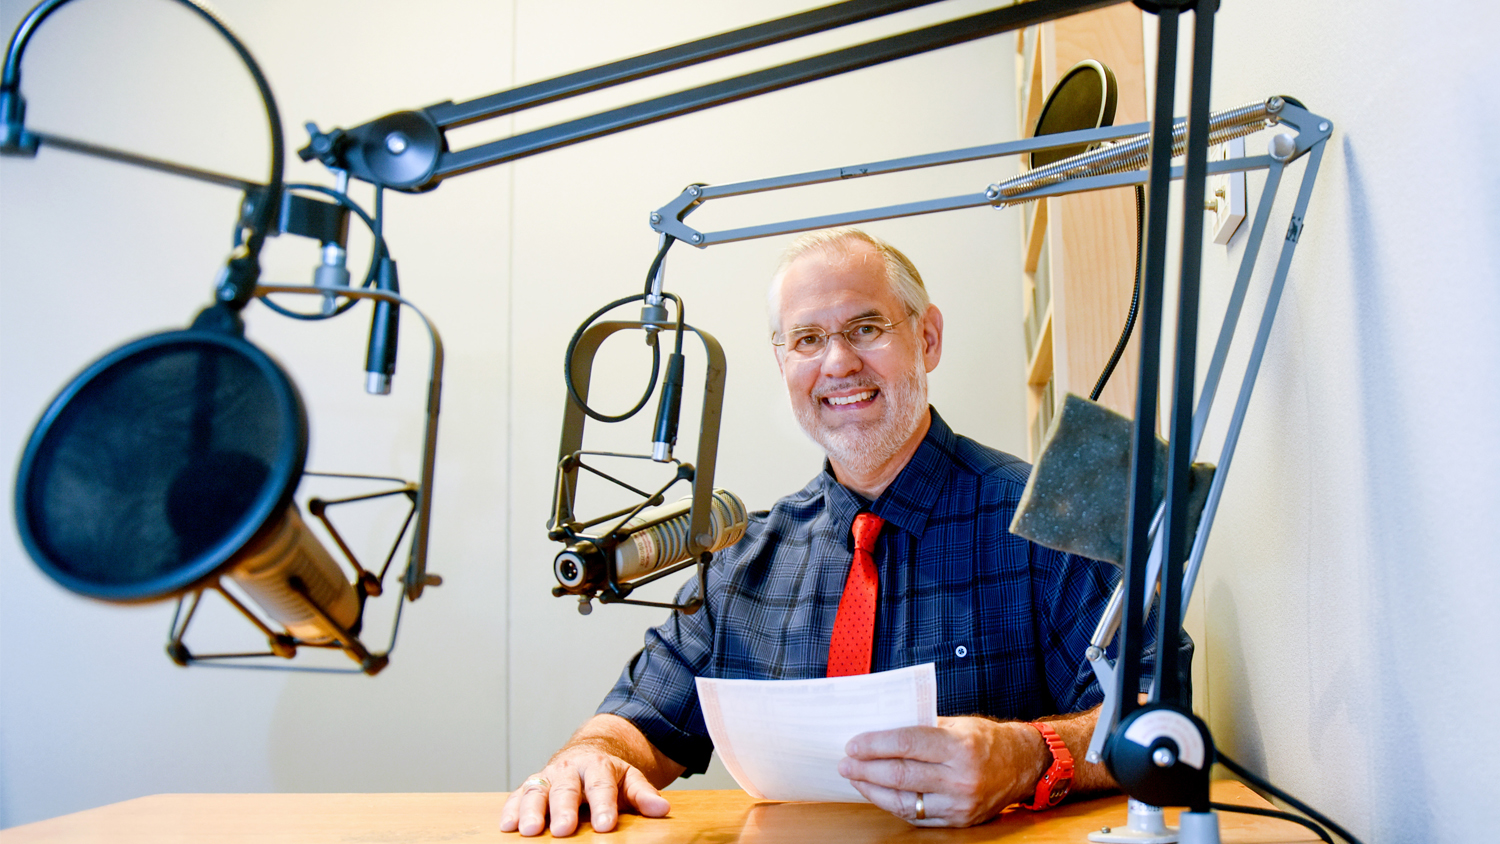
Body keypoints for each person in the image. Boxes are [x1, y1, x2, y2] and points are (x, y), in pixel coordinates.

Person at [500, 228, 1183, 837]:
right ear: (783, 364)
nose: (838, 364)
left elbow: (1161, 717)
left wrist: (1029, 755)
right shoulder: (740, 558)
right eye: (807, 339)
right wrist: (590, 756)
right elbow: (636, 721)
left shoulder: (1054, 518)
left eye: (865, 329)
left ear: (928, 338)